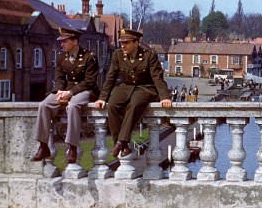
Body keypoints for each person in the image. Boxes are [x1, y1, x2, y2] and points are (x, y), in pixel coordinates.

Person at [94, 29, 172, 157]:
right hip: (125, 87)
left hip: (145, 88)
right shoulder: (118, 55)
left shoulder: (149, 55)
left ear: (136, 43)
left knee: (134, 105)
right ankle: (121, 144)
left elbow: (157, 77)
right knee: (112, 105)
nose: (123, 45)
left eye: (127, 43)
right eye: (122, 42)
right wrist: (102, 98)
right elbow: (110, 78)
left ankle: (121, 142)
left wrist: (164, 97)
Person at [31, 28, 99, 164]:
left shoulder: (89, 57)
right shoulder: (62, 57)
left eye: (64, 41)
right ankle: (43, 146)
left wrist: (71, 93)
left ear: (75, 41)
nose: (61, 44)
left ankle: (72, 147)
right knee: (44, 105)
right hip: (66, 89)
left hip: (85, 90)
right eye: (61, 41)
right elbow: (59, 78)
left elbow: (89, 81)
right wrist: (59, 91)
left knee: (73, 106)